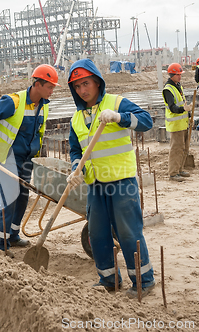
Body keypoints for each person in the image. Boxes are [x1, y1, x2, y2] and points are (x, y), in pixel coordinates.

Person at [65, 58, 155, 298]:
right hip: (96, 184)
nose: (82, 90)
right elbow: (76, 150)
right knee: (97, 233)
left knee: (127, 232)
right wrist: (76, 169)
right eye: (77, 87)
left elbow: (146, 121)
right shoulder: (76, 118)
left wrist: (119, 117)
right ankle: (108, 280)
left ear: (97, 82)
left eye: (86, 84)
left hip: (121, 182)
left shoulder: (116, 103)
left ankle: (143, 282)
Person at [0, 64, 60, 256]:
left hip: (26, 158)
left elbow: (38, 133)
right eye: (49, 86)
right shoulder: (14, 102)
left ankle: (13, 234)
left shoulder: (43, 106)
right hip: (6, 156)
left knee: (23, 197)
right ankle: (1, 243)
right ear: (38, 84)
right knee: (10, 198)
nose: (52, 91)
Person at [163, 63, 192, 182]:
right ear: (171, 75)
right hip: (176, 125)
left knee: (184, 147)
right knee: (176, 148)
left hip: (183, 123)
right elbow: (172, 107)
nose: (180, 77)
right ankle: (173, 173)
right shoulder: (168, 89)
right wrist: (183, 110)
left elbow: (182, 102)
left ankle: (180, 169)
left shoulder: (178, 86)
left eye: (180, 74)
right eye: (177, 75)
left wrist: (188, 115)